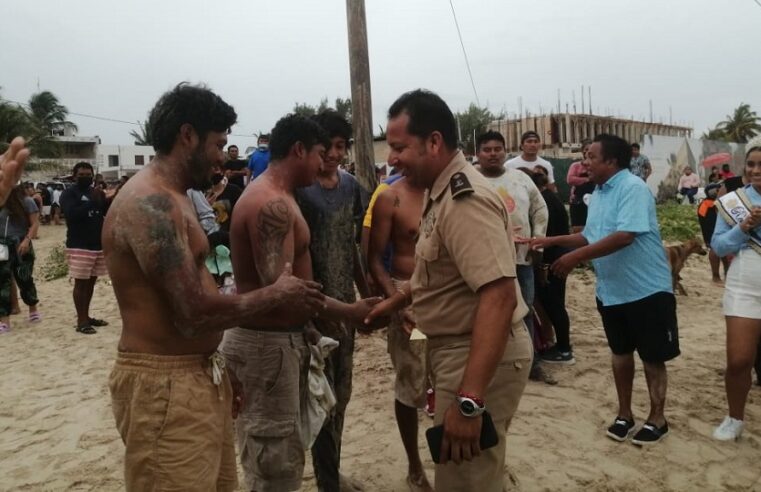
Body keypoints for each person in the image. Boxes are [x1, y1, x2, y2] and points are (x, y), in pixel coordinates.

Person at [102, 83, 327, 492]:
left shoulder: (178, 197)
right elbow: (192, 313)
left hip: (195, 375)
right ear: (187, 135)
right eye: (219, 143)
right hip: (164, 385)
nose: (223, 156)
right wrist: (275, 294)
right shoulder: (151, 204)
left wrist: (217, 369)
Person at [364, 89, 532, 492]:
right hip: (458, 350)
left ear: (434, 142)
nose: (392, 158)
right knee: (474, 474)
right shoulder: (437, 193)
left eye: (400, 147)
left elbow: (499, 295)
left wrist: (469, 400)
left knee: (464, 480)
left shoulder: (464, 200)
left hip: (474, 354)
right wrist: (390, 304)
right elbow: (436, 274)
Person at [221, 113, 383, 492]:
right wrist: (348, 312)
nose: (324, 162)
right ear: (299, 150)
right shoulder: (270, 205)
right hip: (267, 346)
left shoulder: (281, 197)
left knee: (286, 457)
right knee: (273, 467)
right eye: (318, 153)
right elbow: (285, 292)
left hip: (283, 343)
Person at [530, 134, 679, 446]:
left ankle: (657, 418)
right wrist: (552, 241)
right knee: (620, 353)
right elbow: (591, 235)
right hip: (611, 290)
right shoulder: (598, 193)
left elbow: (625, 235)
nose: (585, 162)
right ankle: (625, 414)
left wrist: (573, 258)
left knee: (652, 357)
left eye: (591, 156)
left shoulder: (632, 188)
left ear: (611, 161)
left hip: (647, 289)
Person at [292, 110, 371, 491]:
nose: (335, 154)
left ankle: (332, 471)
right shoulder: (300, 190)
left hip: (347, 308)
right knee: (318, 398)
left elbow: (350, 246)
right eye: (329, 147)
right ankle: (326, 479)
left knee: (342, 395)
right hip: (314, 309)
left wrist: (366, 293)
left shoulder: (352, 187)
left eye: (342, 146)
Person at [367, 168, 432, 491]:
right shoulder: (390, 197)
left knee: (453, 379)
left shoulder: (453, 192)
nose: (399, 156)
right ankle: (415, 465)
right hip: (409, 304)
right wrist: (396, 303)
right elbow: (374, 258)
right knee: (411, 380)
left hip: (449, 300)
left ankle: (450, 458)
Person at [476, 130, 551, 383]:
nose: (493, 154)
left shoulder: (520, 179)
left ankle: (531, 362)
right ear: (478, 153)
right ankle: (488, 365)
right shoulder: (470, 181)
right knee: (485, 312)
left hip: (521, 259)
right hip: (484, 262)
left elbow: (540, 209)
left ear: (505, 151)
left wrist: (538, 240)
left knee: (525, 309)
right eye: (487, 149)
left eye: (498, 149)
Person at [710, 136, 761, 441]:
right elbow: (717, 245)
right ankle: (735, 417)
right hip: (745, 284)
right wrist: (745, 227)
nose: (756, 170)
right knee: (739, 360)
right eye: (752, 164)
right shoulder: (734, 202)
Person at [60, 162, 110, 334]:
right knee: (80, 284)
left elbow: (104, 210)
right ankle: (81, 321)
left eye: (88, 174)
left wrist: (108, 197)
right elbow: (71, 214)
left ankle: (87, 316)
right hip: (79, 244)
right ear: (74, 176)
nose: (85, 177)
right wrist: (92, 202)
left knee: (91, 282)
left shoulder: (94, 192)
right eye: (81, 175)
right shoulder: (69, 193)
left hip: (97, 244)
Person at [530, 168, 574, 364]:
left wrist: (541, 265)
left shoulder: (544, 202)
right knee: (555, 305)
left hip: (552, 259)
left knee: (554, 305)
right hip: (558, 256)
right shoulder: (550, 197)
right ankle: (560, 345)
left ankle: (564, 349)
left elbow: (545, 235)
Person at [0, 184, 41, 333]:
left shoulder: (26, 201)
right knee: (2, 282)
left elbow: (34, 223)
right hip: (1, 245)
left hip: (21, 243)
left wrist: (26, 240)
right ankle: (4, 319)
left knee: (24, 278)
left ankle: (33, 309)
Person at [698, 182, 729, 283]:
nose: (720, 191)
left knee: (725, 252)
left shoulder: (717, 202)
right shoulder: (706, 204)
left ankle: (727, 274)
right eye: (718, 189)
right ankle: (716, 276)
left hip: (721, 231)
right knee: (714, 250)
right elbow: (706, 222)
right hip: (711, 232)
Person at [567, 140, 595, 233]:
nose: (588, 152)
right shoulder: (575, 166)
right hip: (577, 200)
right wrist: (586, 180)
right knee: (578, 228)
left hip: (594, 199)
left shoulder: (598, 166)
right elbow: (570, 179)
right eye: (586, 149)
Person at [206, 163, 242, 233]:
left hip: (228, 235)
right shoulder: (202, 193)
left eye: (217, 169)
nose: (215, 172)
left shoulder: (234, 190)